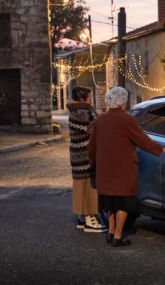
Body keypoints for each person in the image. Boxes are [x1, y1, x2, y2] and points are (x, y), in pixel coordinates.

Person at [88, 86, 165, 247]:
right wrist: (160, 149)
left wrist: (92, 163)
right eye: (125, 100)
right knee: (123, 202)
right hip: (123, 168)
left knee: (110, 203)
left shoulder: (100, 120)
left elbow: (91, 146)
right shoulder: (126, 119)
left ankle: (111, 232)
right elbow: (141, 139)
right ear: (121, 102)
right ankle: (118, 237)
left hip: (105, 168)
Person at [67, 86, 108, 233]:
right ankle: (91, 219)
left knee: (80, 184)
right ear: (83, 99)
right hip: (86, 155)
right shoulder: (84, 112)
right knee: (90, 186)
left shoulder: (74, 111)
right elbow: (94, 130)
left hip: (76, 154)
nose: (91, 100)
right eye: (89, 97)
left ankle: (81, 218)